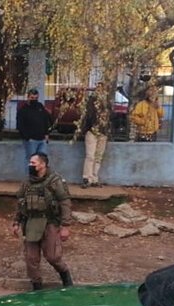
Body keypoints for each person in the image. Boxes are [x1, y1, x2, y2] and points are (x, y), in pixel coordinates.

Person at [10, 152, 73, 291]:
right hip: (31, 223)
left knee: (53, 256)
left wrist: (65, 226)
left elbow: (65, 202)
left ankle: (66, 277)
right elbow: (21, 203)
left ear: (43, 164)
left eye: (33, 163)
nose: (30, 165)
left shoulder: (55, 181)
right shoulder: (27, 182)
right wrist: (16, 222)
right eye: (30, 163)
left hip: (50, 222)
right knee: (31, 259)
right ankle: (37, 287)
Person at [81, 83, 110, 188]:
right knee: (90, 156)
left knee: (98, 157)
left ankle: (94, 178)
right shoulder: (91, 102)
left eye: (103, 90)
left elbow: (110, 117)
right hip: (92, 132)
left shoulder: (107, 103)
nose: (101, 92)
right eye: (99, 90)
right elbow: (87, 116)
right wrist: (88, 129)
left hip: (103, 133)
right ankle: (86, 178)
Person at [16, 88, 51, 168]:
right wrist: (27, 137)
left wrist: (46, 134)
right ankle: (30, 178)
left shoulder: (40, 107)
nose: (34, 100)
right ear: (28, 97)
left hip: (42, 139)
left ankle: (40, 178)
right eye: (32, 98)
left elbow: (45, 120)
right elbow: (20, 125)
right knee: (31, 160)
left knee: (43, 160)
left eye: (36, 98)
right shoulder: (23, 110)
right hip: (31, 140)